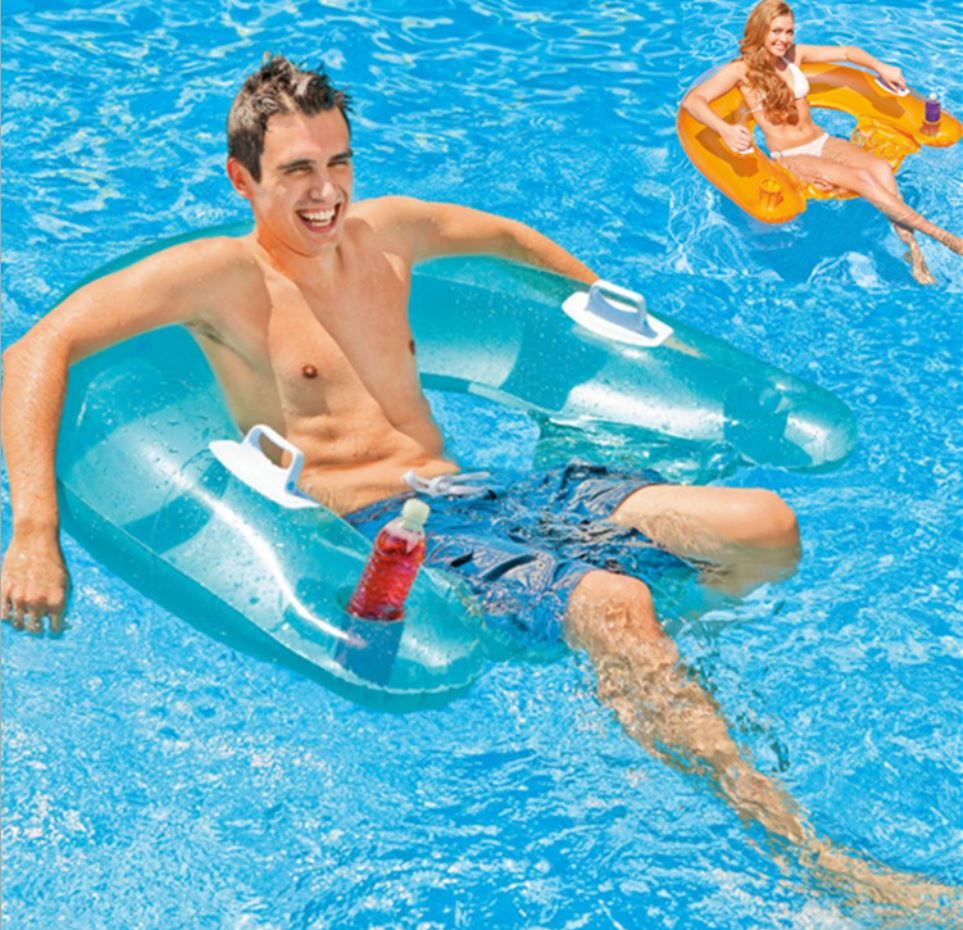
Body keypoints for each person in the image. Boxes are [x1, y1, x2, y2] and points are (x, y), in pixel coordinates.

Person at [1, 56, 957, 916]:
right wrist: (34, 529)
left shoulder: (384, 234)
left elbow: (501, 235)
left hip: (489, 495)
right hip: (386, 521)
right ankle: (814, 859)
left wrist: (607, 313)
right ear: (242, 180)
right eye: (296, 171)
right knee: (617, 604)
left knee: (762, 524)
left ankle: (641, 690)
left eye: (337, 163)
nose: (325, 191)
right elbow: (38, 350)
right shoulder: (217, 277)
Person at [681, 0, 963, 284]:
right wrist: (725, 129)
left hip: (821, 139)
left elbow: (847, 52)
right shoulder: (742, 71)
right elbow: (694, 101)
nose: (784, 39)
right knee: (862, 179)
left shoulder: (794, 55)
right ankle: (945, 238)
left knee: (880, 168)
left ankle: (912, 250)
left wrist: (882, 67)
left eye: (789, 31)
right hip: (790, 154)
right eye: (776, 31)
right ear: (760, 30)